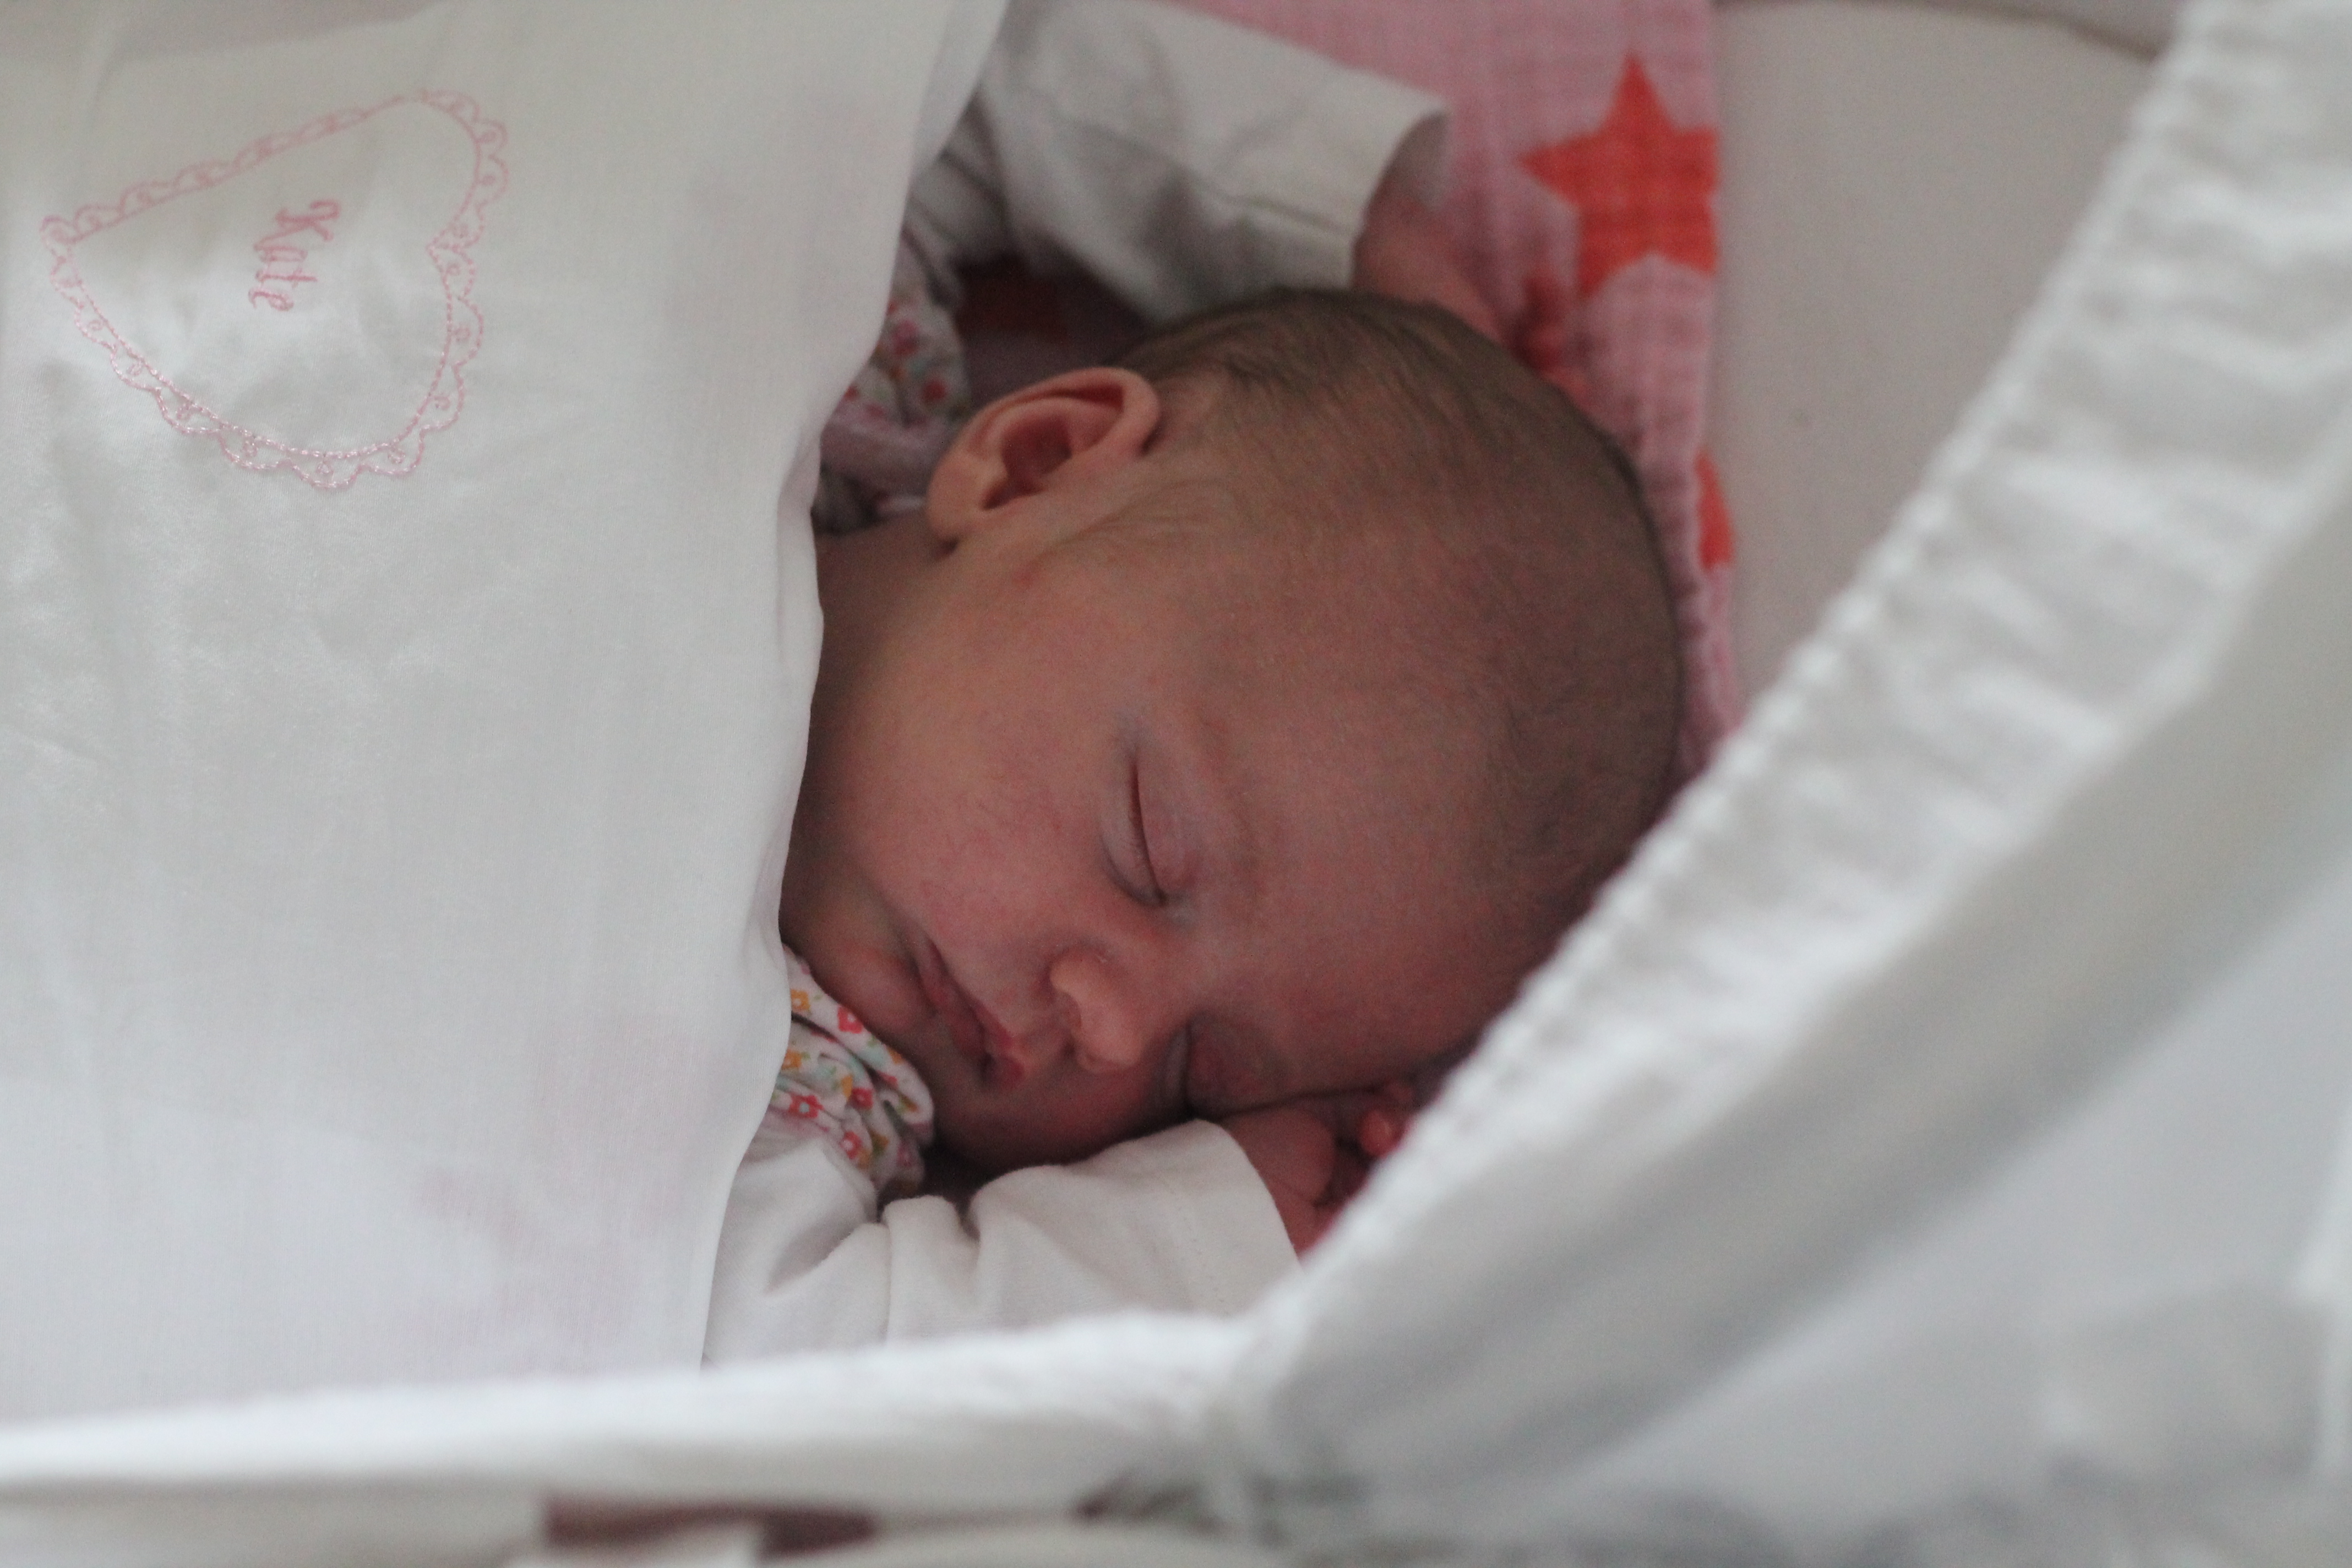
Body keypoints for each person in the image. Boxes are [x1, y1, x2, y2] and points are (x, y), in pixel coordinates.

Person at [701, 3, 1683, 1359]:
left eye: (1195, 1075)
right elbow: (886, 58)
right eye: (1149, 851)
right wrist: (1323, 212)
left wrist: (1189, 1237)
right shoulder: (818, 354)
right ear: (1040, 464)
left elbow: (752, 1372)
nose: (1109, 1031)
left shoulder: (784, 1091)